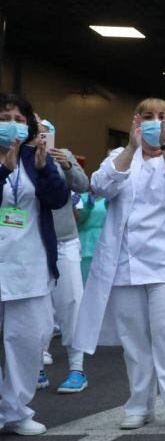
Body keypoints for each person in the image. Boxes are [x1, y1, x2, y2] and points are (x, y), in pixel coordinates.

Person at [73, 98, 165, 435]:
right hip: (127, 264)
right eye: (146, 116)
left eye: (161, 116)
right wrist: (130, 148)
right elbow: (100, 186)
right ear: (135, 121)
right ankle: (140, 404)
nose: (153, 121)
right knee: (133, 340)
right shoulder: (118, 159)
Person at [0, 94, 69, 435]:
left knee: (28, 339)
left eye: (17, 117)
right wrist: (3, 170)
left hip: (29, 264)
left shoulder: (33, 156)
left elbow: (58, 199)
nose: (11, 122)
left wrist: (43, 171)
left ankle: (14, 410)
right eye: (4, 116)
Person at [37, 118, 93, 393]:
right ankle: (34, 366)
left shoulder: (64, 156)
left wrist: (68, 165)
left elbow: (84, 185)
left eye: (47, 133)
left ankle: (77, 369)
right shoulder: (20, 157)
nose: (43, 137)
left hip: (64, 240)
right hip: (33, 243)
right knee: (36, 307)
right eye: (39, 133)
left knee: (71, 302)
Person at [76, 189, 107, 283]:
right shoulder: (80, 197)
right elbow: (78, 219)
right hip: (85, 247)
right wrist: (87, 207)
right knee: (85, 284)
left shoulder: (109, 198)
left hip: (104, 245)